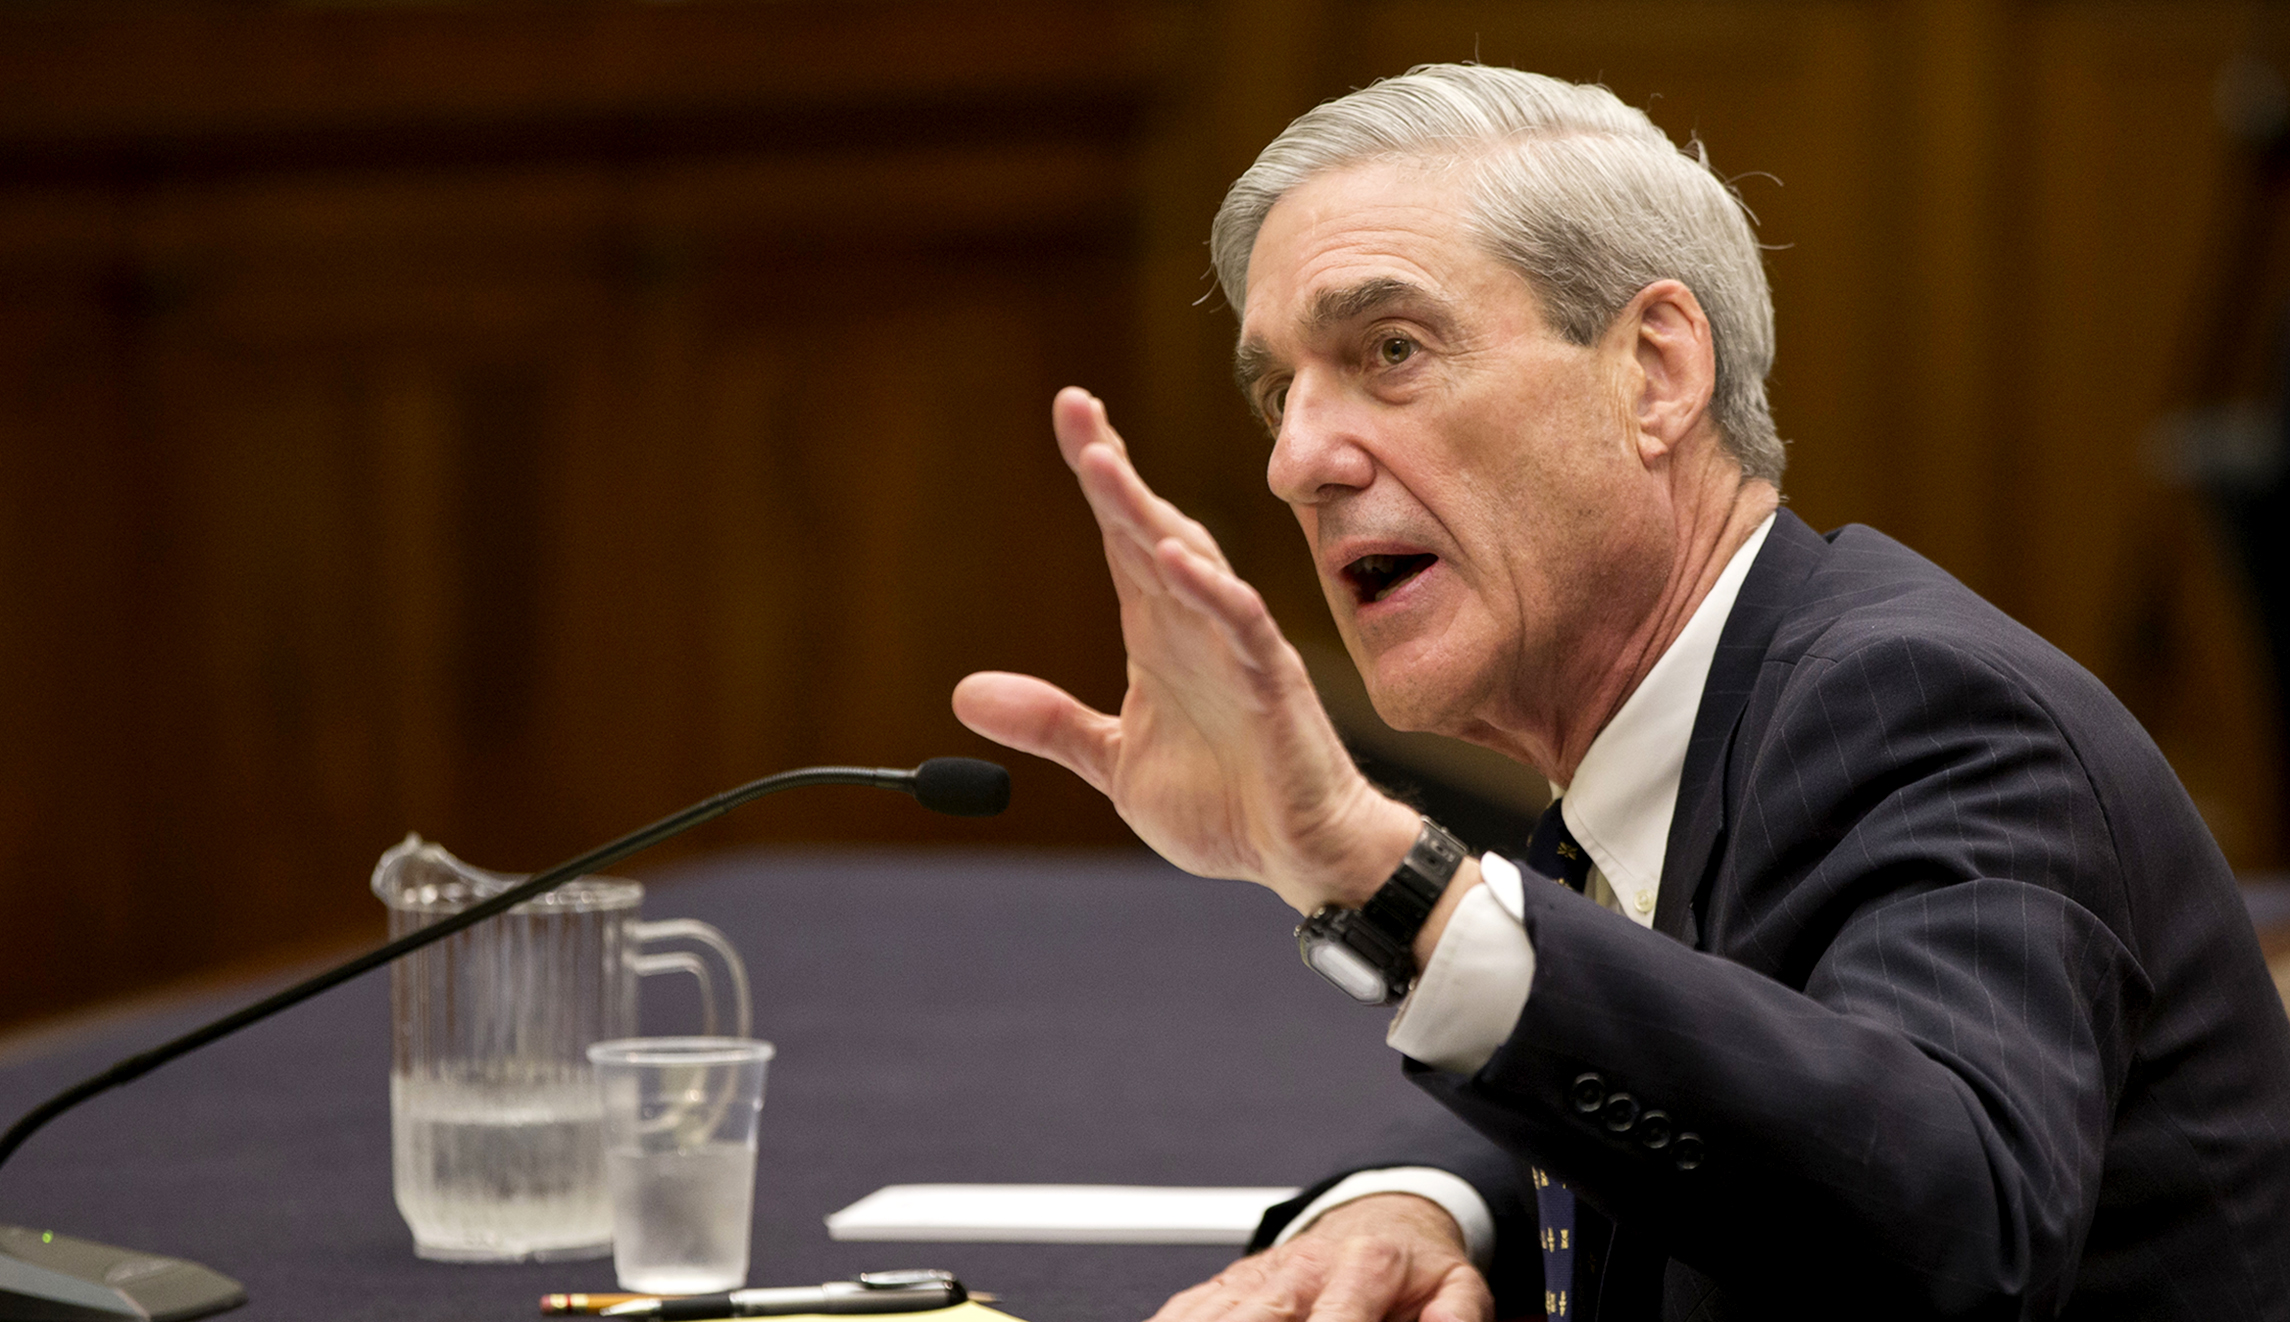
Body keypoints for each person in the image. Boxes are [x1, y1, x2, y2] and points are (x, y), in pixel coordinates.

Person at [951, 65, 2290, 1321]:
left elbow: (1954, 1231)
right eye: (1278, 395)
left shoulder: (1920, 709)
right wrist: (1419, 1197)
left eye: (1391, 350)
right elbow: (1728, 1053)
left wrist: (1382, 877)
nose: (1296, 459)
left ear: (1654, 371)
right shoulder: (1689, 718)